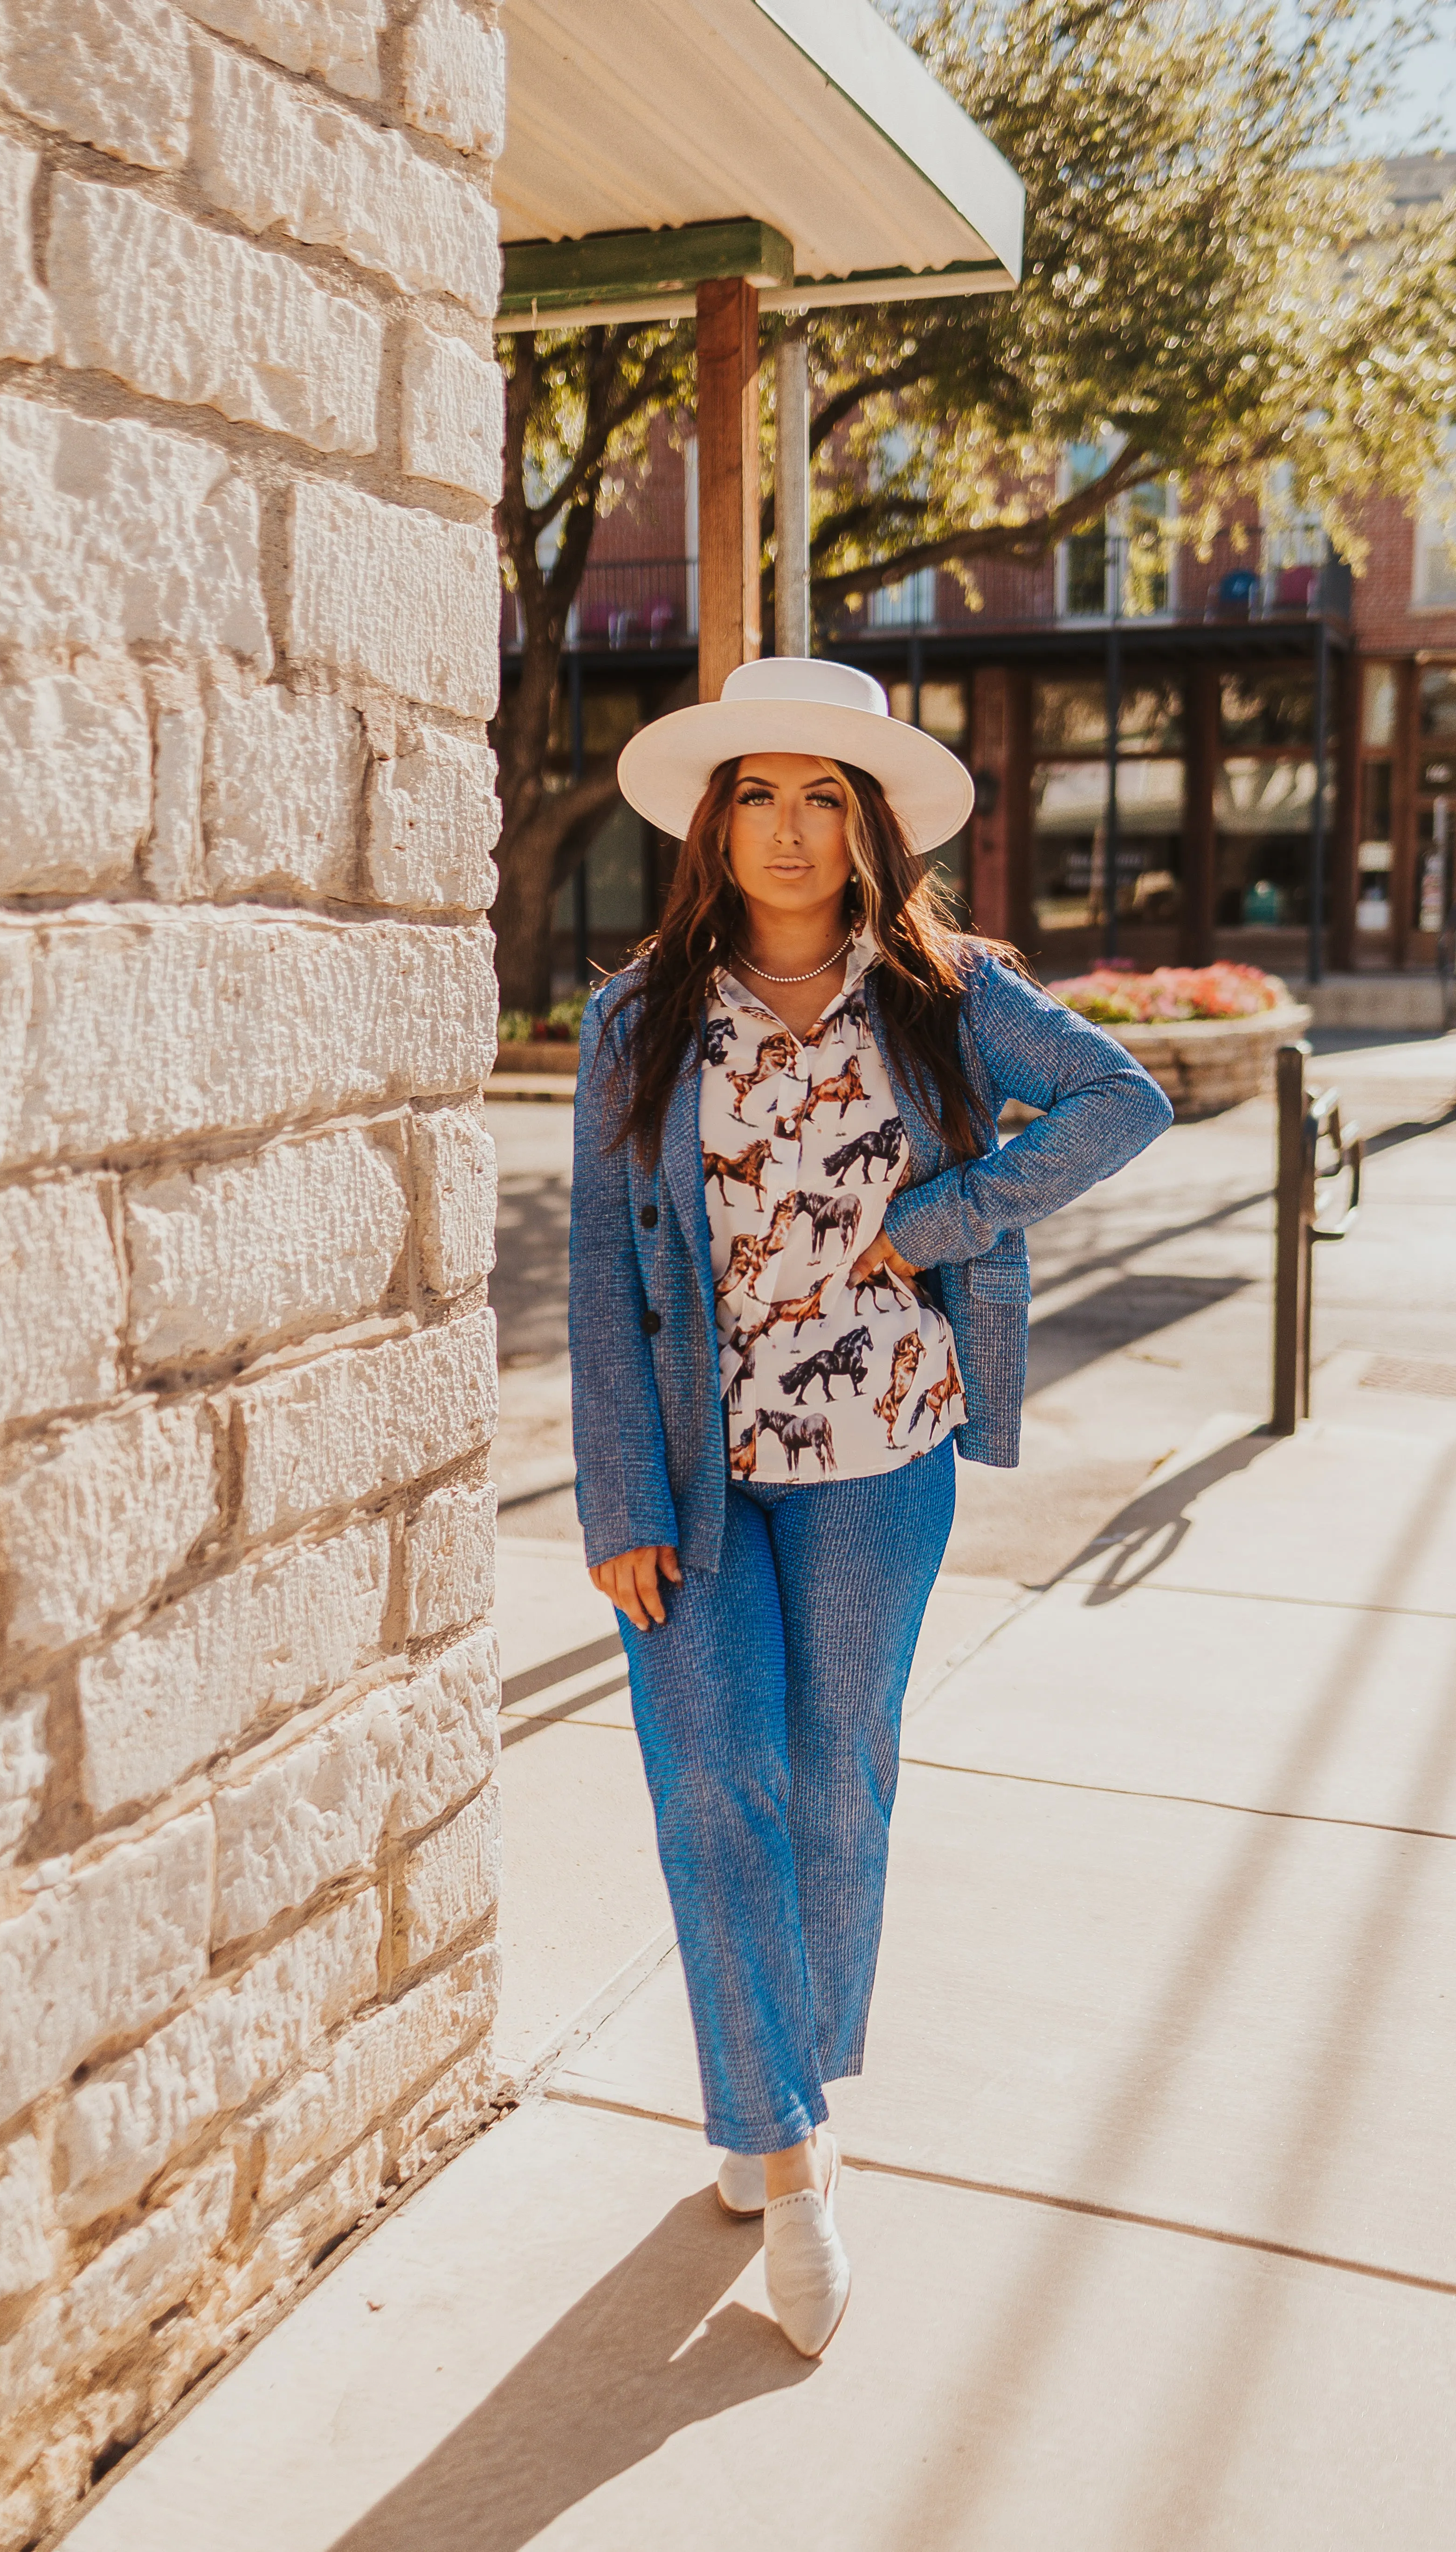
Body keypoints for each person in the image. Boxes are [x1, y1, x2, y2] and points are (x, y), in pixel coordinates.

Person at [568, 658, 1173, 2357]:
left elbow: (1127, 1101)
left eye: (822, 796)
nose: (786, 827)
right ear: (715, 821)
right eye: (757, 794)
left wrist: (952, 1217)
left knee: (837, 1776)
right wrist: (615, 1489)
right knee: (710, 1778)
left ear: (866, 825)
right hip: (692, 1474)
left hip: (879, 1459)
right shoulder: (639, 1019)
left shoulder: (943, 989)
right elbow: (599, 1279)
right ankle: (794, 2147)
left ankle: (776, 2083)